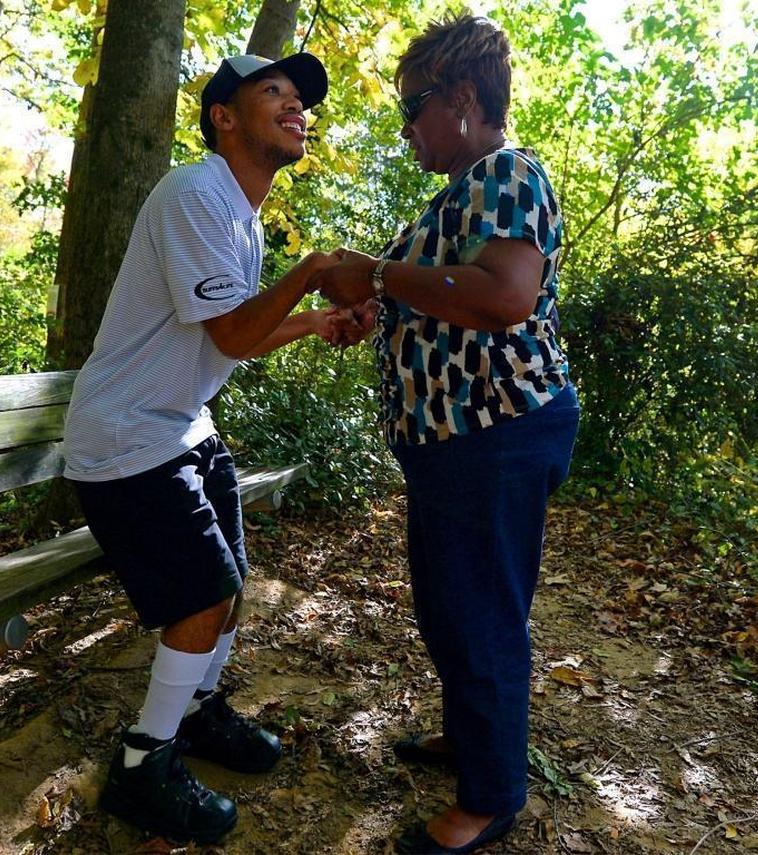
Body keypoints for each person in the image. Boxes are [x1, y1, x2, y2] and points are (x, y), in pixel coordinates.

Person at [62, 52, 361, 844]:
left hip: (181, 424)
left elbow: (238, 336)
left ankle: (194, 711)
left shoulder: (240, 215)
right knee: (202, 594)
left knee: (229, 585)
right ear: (223, 117)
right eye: (275, 93)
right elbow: (232, 329)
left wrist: (313, 319)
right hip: (128, 433)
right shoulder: (195, 193)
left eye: (301, 99)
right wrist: (316, 272)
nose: (297, 106)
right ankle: (142, 762)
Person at [313, 13, 580, 855]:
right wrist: (377, 305)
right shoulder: (462, 190)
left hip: (496, 433)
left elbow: (502, 298)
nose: (406, 127)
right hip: (452, 441)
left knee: (480, 612)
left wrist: (383, 274)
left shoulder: (506, 171)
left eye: (413, 107)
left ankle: (493, 793)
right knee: (446, 604)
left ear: (462, 99)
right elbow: (442, 295)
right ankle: (474, 741)